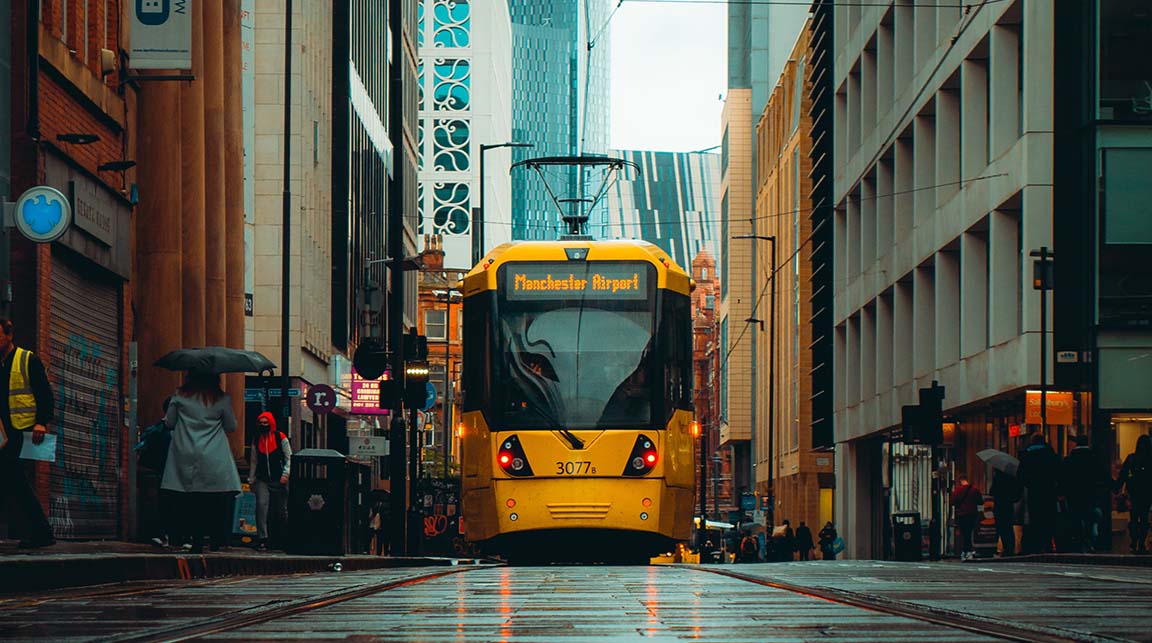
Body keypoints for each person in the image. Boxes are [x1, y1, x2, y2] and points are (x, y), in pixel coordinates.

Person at [162, 371, 242, 553]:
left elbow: (169, 423)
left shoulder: (179, 396)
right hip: (214, 454)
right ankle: (215, 540)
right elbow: (231, 426)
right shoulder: (221, 398)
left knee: (192, 501)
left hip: (185, 453)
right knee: (214, 500)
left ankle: (196, 541)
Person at [0, 318, 56, 548]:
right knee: (13, 480)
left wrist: (41, 422)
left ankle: (41, 532)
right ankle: (38, 531)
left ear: (9, 335)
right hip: (3, 433)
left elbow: (45, 394)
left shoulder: (27, 359)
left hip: (22, 431)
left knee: (15, 478)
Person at [247, 411, 291, 551]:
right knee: (261, 506)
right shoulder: (256, 438)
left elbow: (289, 457)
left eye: (266, 423)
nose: (263, 425)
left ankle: (281, 538)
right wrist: (251, 478)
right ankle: (263, 538)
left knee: (281, 510)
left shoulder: (280, 437)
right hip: (262, 478)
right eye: (261, 423)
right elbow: (254, 460)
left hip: (279, 479)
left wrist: (286, 473)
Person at [1060, 434, 1105, 553]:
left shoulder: (1068, 460)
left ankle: (1078, 541)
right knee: (1089, 517)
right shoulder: (1094, 458)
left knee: (1075, 517)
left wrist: (1061, 492)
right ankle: (1089, 540)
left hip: (1073, 494)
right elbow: (1102, 476)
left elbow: (1062, 479)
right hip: (1090, 494)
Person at [1017, 432, 1061, 554]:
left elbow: (1021, 475)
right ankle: (1047, 543)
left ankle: (1035, 544)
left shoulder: (1027, 455)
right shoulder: (1050, 454)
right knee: (1048, 517)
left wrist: (1025, 485)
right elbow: (1058, 472)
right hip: (1049, 490)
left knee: (1035, 517)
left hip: (1033, 491)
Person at [1116, 434, 1151, 554]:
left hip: (1133, 493)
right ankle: (1142, 543)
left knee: (1134, 517)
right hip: (1147, 493)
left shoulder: (1131, 458)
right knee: (1144, 517)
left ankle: (1134, 541)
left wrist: (1118, 488)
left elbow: (1123, 474)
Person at [989, 470, 1022, 557]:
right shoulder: (1013, 479)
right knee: (1009, 529)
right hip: (1008, 506)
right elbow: (1017, 495)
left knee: (1000, 528)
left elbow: (991, 492)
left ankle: (1002, 548)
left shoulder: (998, 478)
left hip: (999, 506)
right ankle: (1010, 549)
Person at [950, 474, 983, 560]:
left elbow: (952, 502)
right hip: (972, 514)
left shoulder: (958, 490)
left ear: (960, 481)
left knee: (965, 533)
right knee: (969, 532)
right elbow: (980, 501)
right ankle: (967, 551)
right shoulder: (974, 490)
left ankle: (965, 551)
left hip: (962, 514)